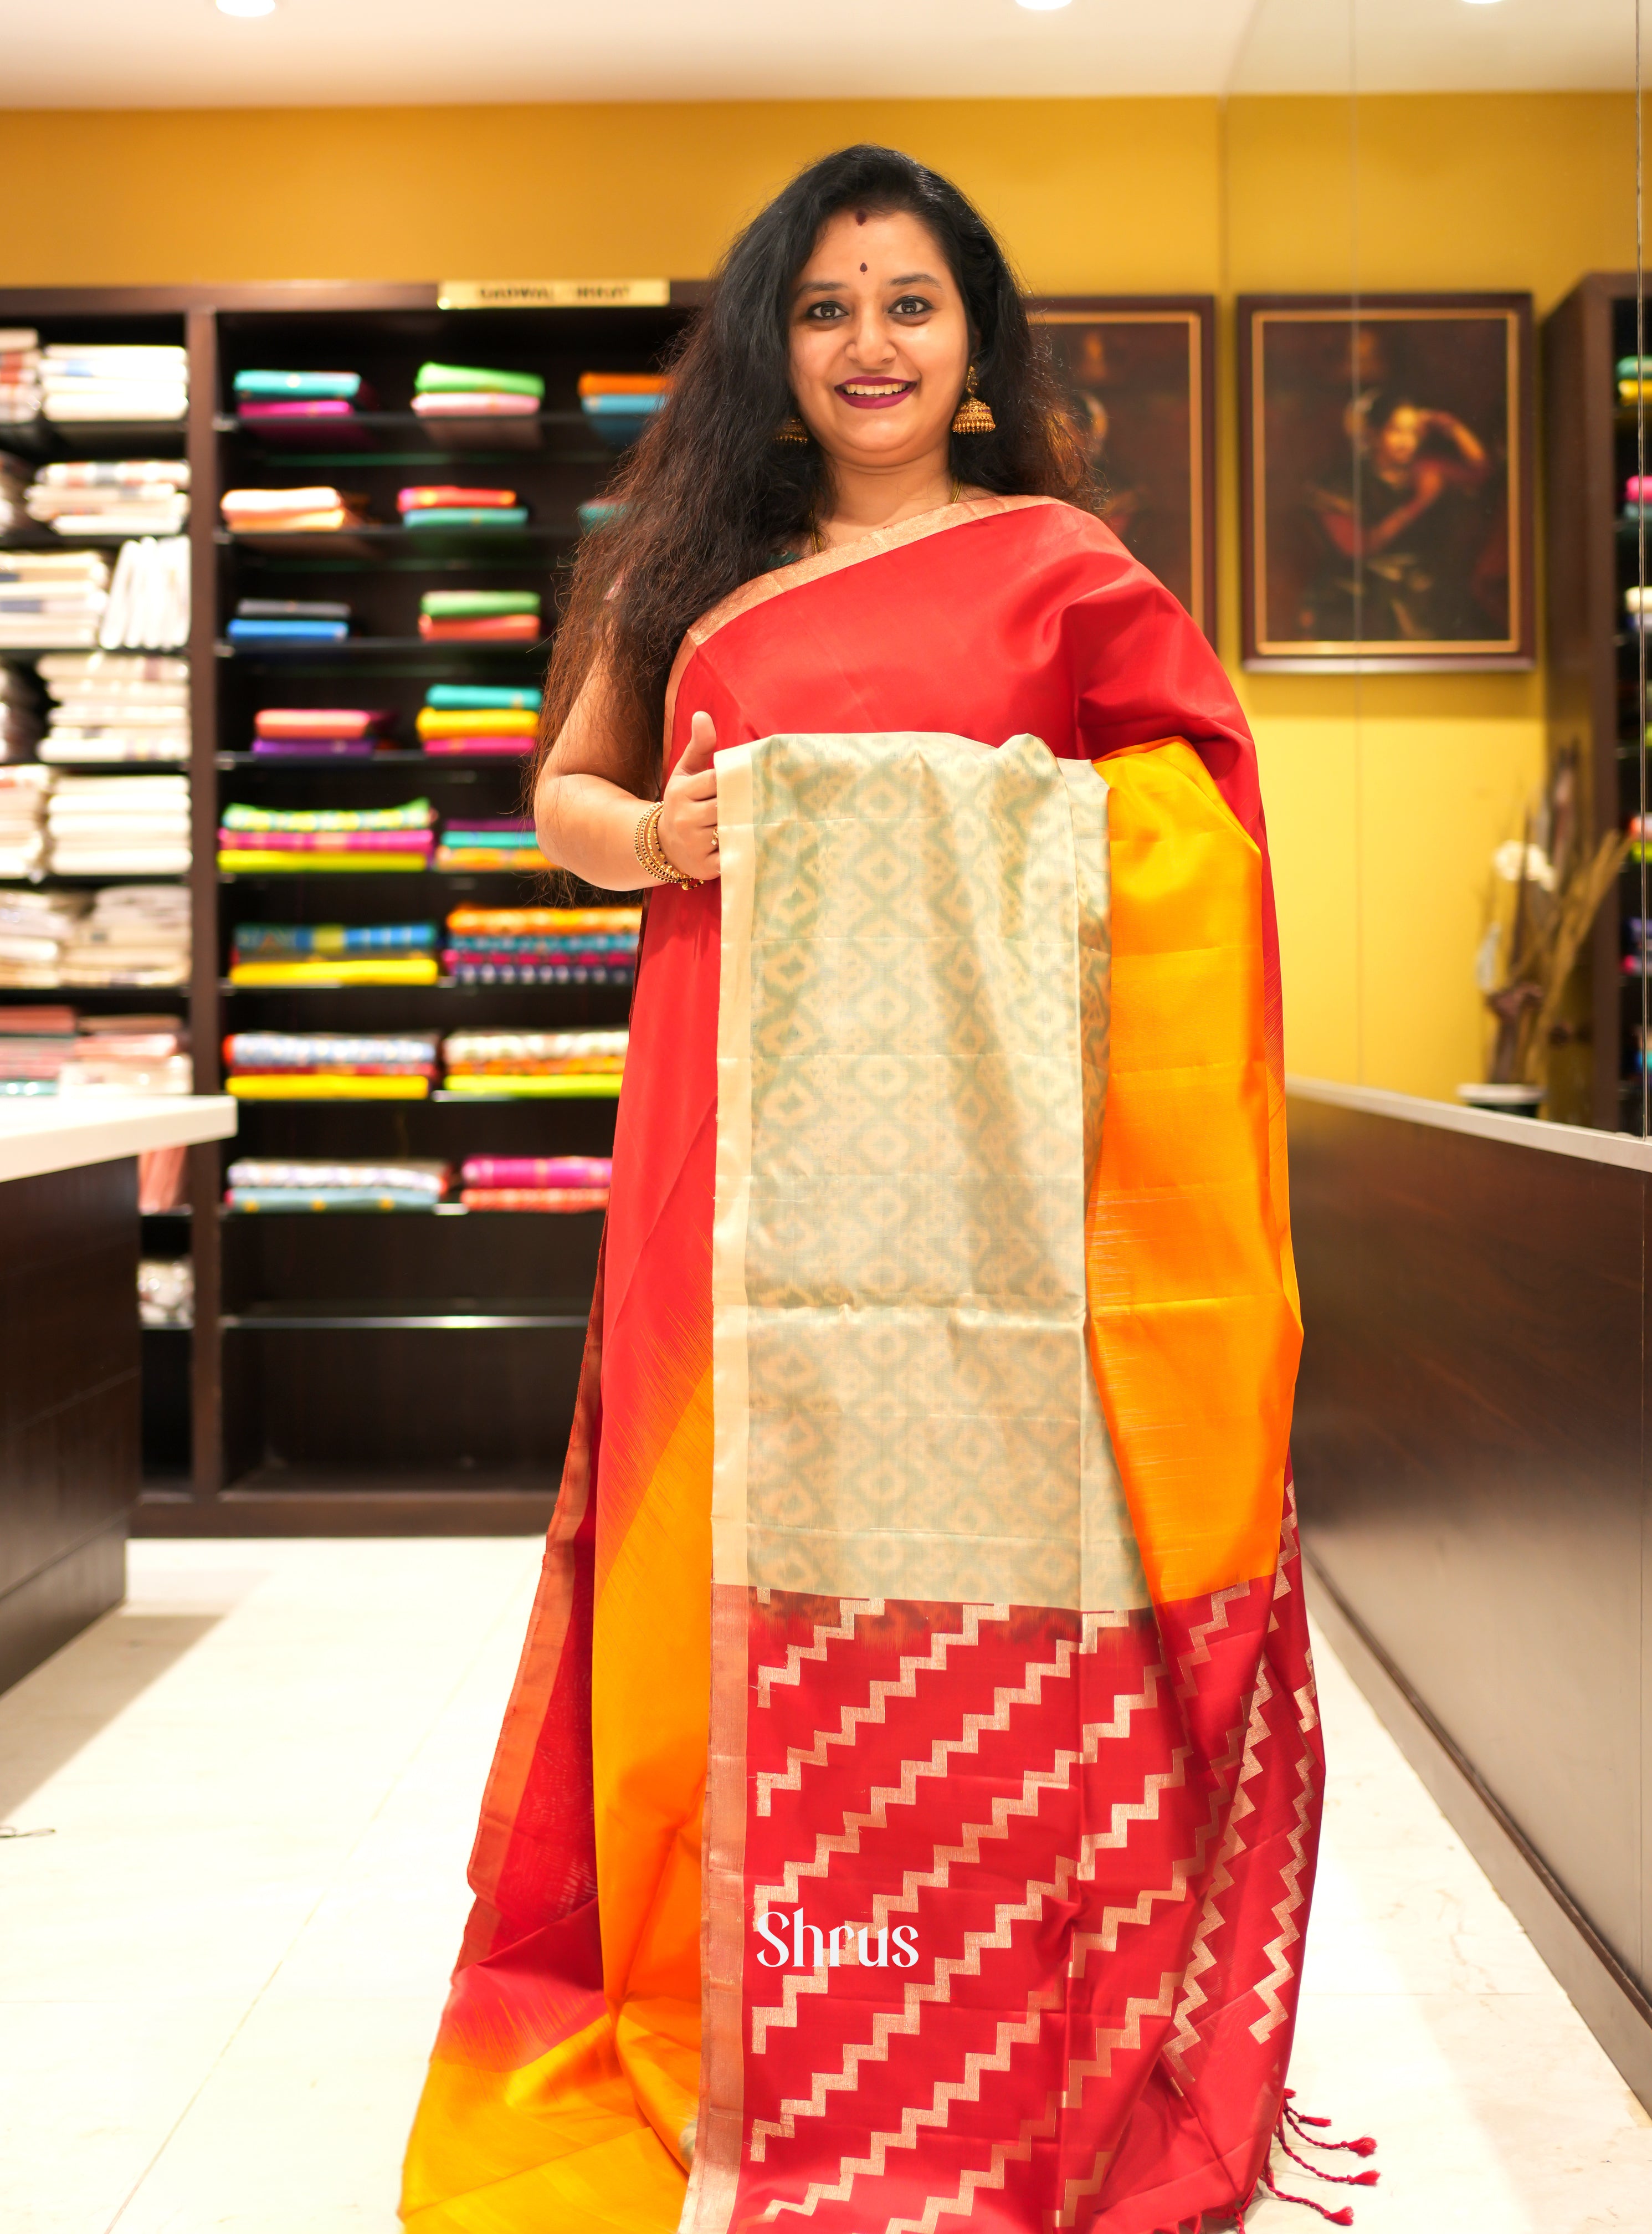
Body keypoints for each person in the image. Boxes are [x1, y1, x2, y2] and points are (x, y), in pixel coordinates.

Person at [402, 145, 1320, 2234]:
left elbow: (1190, 825)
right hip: (717, 1154)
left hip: (987, 1212)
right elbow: (566, 792)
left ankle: (981, 1972)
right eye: (821, 307)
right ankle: (720, 1978)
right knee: (696, 1544)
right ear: (769, 342)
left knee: (984, 1545)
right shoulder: (691, 564)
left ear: (973, 338)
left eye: (906, 301)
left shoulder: (1060, 572)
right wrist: (673, 837)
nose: (867, 345)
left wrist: (984, 826)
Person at [1302, 388, 1494, 642]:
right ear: (1373, 432)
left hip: (1423, 595)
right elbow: (1359, 547)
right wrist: (1420, 502)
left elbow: (1480, 471)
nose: (1407, 442)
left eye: (1414, 432)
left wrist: (1449, 425)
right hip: (1362, 598)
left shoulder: (1425, 470)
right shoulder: (1343, 482)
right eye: (1396, 431)